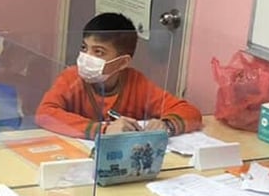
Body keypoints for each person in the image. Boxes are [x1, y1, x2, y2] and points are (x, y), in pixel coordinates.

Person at [36, 12, 202, 139]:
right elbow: (45, 113)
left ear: (123, 62)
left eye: (98, 52)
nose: (86, 57)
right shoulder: (71, 77)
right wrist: (104, 130)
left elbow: (190, 112)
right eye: (84, 48)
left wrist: (167, 125)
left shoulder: (136, 83)